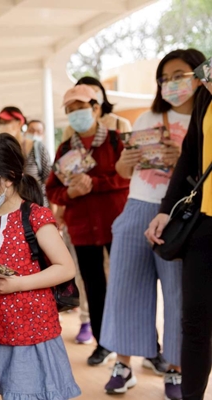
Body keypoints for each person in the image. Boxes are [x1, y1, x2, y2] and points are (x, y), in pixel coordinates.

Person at [101, 48, 205, 399]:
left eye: (179, 76)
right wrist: (125, 161)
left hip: (180, 216)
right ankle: (123, 364)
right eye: (164, 78)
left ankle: (175, 370)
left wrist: (183, 162)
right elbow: (123, 172)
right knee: (125, 289)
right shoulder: (146, 119)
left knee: (179, 295)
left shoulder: (205, 121)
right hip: (136, 207)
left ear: (199, 75)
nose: (171, 84)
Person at [0, 133, 80, 400]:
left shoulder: (35, 216)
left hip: (32, 331)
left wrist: (17, 284)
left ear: (9, 177)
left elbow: (65, 268)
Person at [46, 84, 130, 366]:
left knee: (128, 286)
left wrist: (95, 184)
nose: (76, 115)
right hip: (82, 231)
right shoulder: (65, 149)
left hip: (118, 227)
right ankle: (102, 344)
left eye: (80, 108)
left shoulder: (118, 142)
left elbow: (130, 178)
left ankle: (145, 345)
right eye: (70, 111)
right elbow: (52, 189)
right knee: (94, 289)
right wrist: (69, 194)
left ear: (96, 108)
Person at [146, 56, 212, 400]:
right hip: (204, 223)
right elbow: (189, 156)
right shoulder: (205, 96)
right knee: (196, 324)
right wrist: (165, 210)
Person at [0, 106, 51, 206]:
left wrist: (54, 213)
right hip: (11, 211)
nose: (1, 126)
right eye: (0, 123)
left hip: (37, 209)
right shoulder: (0, 152)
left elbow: (49, 181)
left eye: (6, 122)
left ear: (19, 123)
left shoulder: (37, 147)